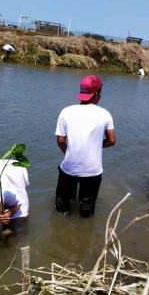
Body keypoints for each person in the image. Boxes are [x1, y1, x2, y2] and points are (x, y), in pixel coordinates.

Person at [55, 75, 116, 217]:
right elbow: (111, 141)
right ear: (96, 94)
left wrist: (69, 153)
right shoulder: (105, 114)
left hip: (69, 167)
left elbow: (61, 141)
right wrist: (94, 146)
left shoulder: (66, 111)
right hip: (92, 171)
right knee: (86, 210)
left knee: (61, 207)